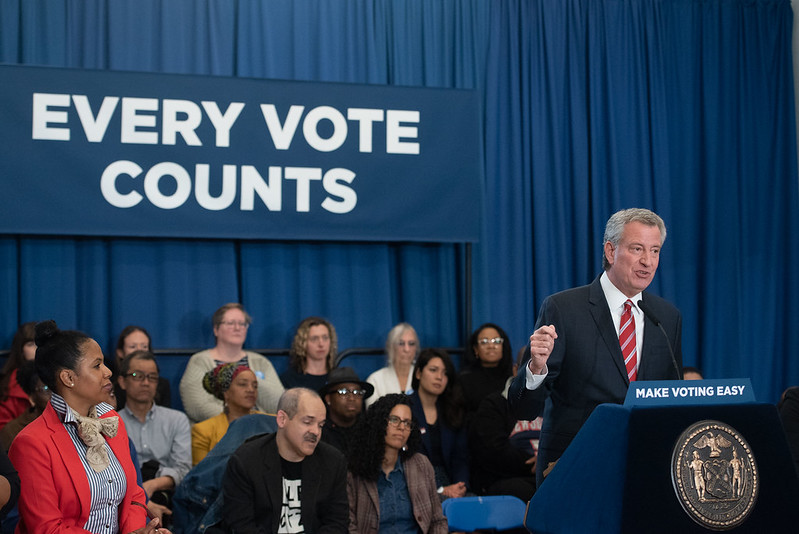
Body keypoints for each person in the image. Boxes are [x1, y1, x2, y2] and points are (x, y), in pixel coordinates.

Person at [509, 208, 683, 486]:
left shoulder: (667, 317)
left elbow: (672, 398)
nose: (647, 261)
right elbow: (525, 410)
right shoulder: (564, 309)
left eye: (655, 251)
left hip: (643, 466)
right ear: (611, 251)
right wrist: (535, 368)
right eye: (637, 248)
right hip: (576, 466)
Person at [8, 320, 167, 533]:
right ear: (68, 378)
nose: (108, 371)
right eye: (97, 365)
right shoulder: (31, 443)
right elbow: (47, 528)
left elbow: (135, 495)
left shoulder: (112, 420)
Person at [218, 388, 348, 532]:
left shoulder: (333, 461)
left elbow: (337, 523)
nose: (316, 432)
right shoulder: (246, 461)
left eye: (320, 425)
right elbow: (240, 525)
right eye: (307, 422)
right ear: (282, 419)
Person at [347, 394, 447, 534]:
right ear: (378, 423)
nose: (402, 427)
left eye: (407, 423)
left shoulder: (421, 464)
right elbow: (349, 526)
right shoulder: (355, 469)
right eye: (394, 420)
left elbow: (437, 521)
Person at [117, 351, 191, 526]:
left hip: (169, 499)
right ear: (122, 381)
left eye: (152, 377)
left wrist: (151, 486)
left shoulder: (177, 420)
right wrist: (142, 499)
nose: (145, 383)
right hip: (124, 502)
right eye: (137, 376)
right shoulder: (112, 423)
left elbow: (183, 469)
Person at [179, 303, 284, 423]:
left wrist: (249, 379)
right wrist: (239, 420)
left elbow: (279, 403)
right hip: (220, 431)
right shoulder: (200, 361)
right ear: (216, 329)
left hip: (260, 429)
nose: (237, 328)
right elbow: (197, 406)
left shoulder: (260, 362)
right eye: (230, 323)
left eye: (242, 324)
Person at [409, 348, 469, 499]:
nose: (439, 377)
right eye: (433, 370)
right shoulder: (406, 408)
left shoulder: (453, 409)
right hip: (416, 485)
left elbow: (460, 457)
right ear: (418, 373)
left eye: (445, 373)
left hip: (451, 483)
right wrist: (440, 490)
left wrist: (460, 486)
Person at [191, 362, 264, 465]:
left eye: (255, 386)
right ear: (226, 392)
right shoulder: (203, 431)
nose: (251, 390)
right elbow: (200, 475)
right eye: (243, 384)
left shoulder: (271, 422)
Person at [458, 323, 514, 415]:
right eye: (484, 342)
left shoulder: (513, 378)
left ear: (503, 347)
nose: (491, 346)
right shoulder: (464, 381)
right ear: (475, 349)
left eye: (496, 341)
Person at [110, 326, 171, 410]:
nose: (139, 351)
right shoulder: (111, 385)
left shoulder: (162, 384)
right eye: (133, 347)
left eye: (144, 346)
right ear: (120, 352)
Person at [318, 366, 373, 455]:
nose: (352, 398)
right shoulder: (318, 431)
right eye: (343, 392)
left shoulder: (370, 429)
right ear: (328, 399)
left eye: (357, 392)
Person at [0, 360, 51, 451]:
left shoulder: (74, 421)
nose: (54, 394)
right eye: (46, 389)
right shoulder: (12, 431)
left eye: (55, 386)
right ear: (31, 398)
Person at [366, 323, 419, 407]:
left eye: (411, 343)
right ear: (391, 347)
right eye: (401, 343)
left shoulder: (423, 378)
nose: (407, 349)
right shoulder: (375, 380)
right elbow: (373, 416)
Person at [280, 317, 338, 390]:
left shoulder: (339, 378)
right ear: (303, 343)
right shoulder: (289, 380)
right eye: (314, 339)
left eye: (325, 338)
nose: (321, 344)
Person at [0, 322, 37, 429]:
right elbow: (4, 434)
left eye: (41, 344)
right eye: (31, 344)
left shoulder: (60, 376)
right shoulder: (7, 385)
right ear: (21, 350)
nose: (38, 349)